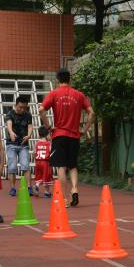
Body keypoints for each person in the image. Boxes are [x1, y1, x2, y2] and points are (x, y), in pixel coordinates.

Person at [39, 68, 94, 207]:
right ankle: (74, 189)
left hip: (59, 135)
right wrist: (84, 130)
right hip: (74, 136)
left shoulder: (54, 93)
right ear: (70, 80)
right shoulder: (79, 95)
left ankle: (64, 198)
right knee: (73, 165)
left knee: (61, 166)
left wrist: (48, 127)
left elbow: (41, 110)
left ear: (57, 80)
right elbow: (91, 113)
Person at [4, 94, 34, 197]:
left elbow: (30, 126)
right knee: (12, 167)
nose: (22, 109)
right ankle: (12, 188)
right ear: (15, 105)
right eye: (20, 107)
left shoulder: (28, 115)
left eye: (24, 108)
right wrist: (11, 133)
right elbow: (9, 124)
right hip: (11, 144)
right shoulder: (10, 114)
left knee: (25, 165)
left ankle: (29, 187)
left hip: (23, 145)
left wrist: (29, 135)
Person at [33, 126, 53, 198]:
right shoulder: (48, 144)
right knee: (46, 177)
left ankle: (37, 185)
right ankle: (47, 192)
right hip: (45, 162)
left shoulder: (37, 143)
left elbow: (34, 152)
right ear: (47, 135)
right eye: (49, 134)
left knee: (39, 176)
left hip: (38, 162)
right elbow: (51, 152)